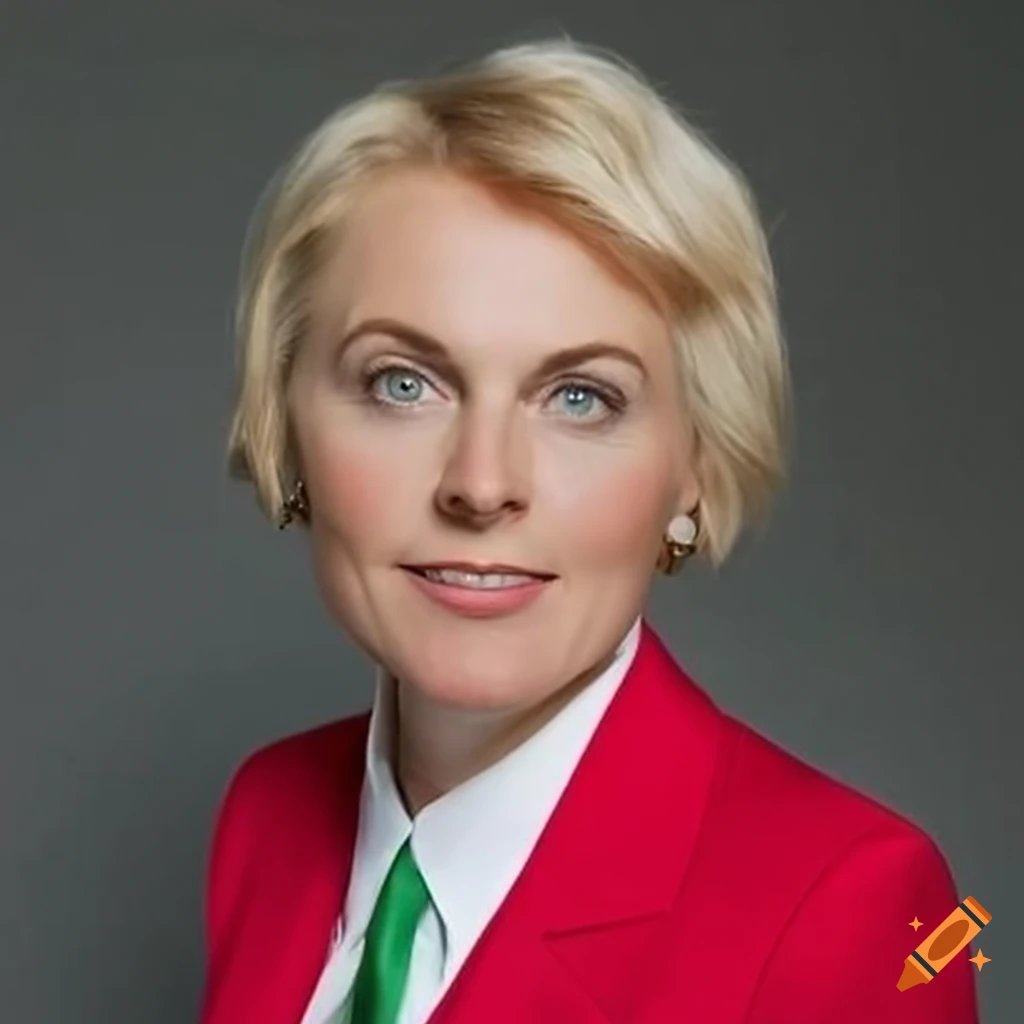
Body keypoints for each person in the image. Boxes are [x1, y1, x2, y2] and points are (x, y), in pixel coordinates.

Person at [199, 37, 978, 1024]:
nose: (482, 484)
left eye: (579, 397)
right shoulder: (267, 817)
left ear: (693, 461)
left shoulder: (850, 911)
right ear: (286, 417)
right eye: (404, 383)